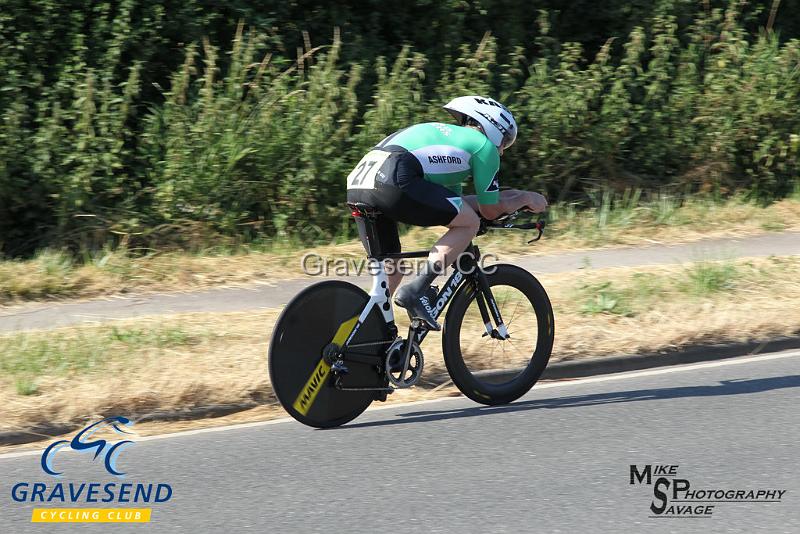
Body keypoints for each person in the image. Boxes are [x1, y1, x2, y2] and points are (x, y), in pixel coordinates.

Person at [346, 95, 548, 331]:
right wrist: (524, 198)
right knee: (469, 224)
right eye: (504, 142)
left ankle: (362, 338)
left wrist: (509, 197)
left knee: (393, 272)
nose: (502, 151)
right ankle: (417, 290)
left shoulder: (450, 147)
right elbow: (489, 211)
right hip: (394, 176)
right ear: (492, 127)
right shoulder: (483, 145)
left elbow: (454, 205)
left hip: (360, 183)